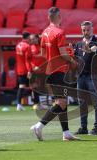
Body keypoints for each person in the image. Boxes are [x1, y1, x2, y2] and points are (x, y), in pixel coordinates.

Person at [30, 7, 79, 141]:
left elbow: (44, 53)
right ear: (59, 16)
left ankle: (66, 133)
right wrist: (72, 60)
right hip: (59, 72)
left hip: (50, 71)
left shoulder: (44, 32)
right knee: (62, 102)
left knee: (61, 101)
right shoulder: (60, 32)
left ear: (48, 17)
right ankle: (39, 125)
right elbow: (63, 53)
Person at [74, 21, 97, 135]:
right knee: (82, 103)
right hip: (81, 77)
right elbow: (76, 59)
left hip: (93, 76)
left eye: (88, 30)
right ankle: (83, 127)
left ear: (92, 29)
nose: (86, 32)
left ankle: (96, 128)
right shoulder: (79, 44)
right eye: (83, 30)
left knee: (96, 103)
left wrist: (95, 49)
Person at [16, 32, 32, 111]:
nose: (30, 39)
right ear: (27, 37)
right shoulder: (27, 46)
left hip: (19, 69)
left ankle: (19, 104)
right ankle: (36, 103)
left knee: (21, 86)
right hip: (25, 69)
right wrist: (29, 70)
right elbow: (27, 60)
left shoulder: (18, 45)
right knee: (35, 85)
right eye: (29, 37)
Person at [29, 34, 46, 110]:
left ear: (37, 39)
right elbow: (28, 60)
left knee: (45, 87)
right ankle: (36, 104)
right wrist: (33, 67)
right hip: (34, 71)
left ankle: (54, 102)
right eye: (31, 39)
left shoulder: (43, 47)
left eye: (33, 39)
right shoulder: (30, 48)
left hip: (43, 70)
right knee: (35, 87)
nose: (32, 40)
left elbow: (46, 58)